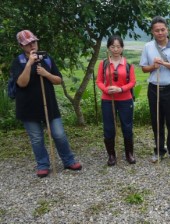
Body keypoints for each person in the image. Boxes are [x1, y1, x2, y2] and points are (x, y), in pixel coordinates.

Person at [10, 30, 82, 178]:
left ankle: (68, 160)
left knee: (59, 134)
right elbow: (22, 83)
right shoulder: (18, 62)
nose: (32, 46)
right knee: (36, 138)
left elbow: (58, 80)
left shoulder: (47, 58)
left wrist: (46, 73)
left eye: (34, 42)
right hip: (28, 108)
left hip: (49, 104)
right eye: (28, 44)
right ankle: (43, 165)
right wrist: (29, 64)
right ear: (21, 46)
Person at [139, 16, 170, 164]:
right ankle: (159, 150)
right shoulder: (148, 47)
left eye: (162, 29)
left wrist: (164, 63)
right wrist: (153, 67)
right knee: (156, 121)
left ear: (167, 30)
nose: (160, 33)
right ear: (152, 32)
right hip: (154, 88)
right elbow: (144, 68)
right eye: (156, 30)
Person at [96, 35, 136, 166]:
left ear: (122, 48)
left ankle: (129, 153)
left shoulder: (128, 65)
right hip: (108, 100)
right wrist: (106, 89)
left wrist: (120, 89)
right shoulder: (104, 63)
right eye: (112, 46)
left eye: (118, 46)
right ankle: (111, 155)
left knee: (127, 127)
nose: (115, 49)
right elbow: (99, 81)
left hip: (125, 99)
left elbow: (132, 82)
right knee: (109, 128)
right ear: (108, 48)